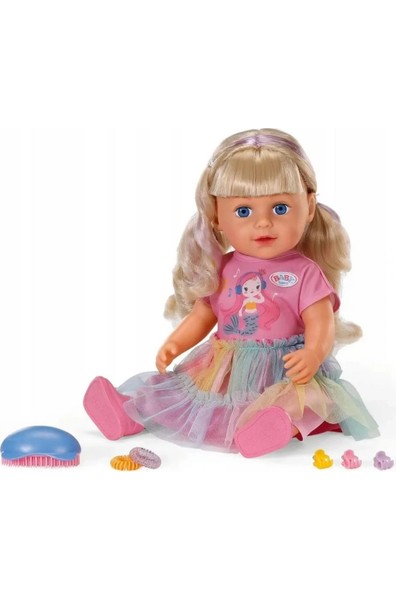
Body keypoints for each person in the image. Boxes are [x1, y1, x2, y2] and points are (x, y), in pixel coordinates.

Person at [83, 128, 379, 458]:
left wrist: (313, 353)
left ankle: (271, 428)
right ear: (216, 215)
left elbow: (320, 322)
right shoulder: (221, 268)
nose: (263, 223)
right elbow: (202, 315)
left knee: (303, 400)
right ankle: (128, 412)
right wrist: (175, 343)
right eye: (244, 211)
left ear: (309, 207)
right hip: (225, 367)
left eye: (280, 208)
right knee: (179, 392)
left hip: (284, 370)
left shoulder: (305, 272)